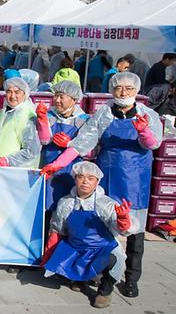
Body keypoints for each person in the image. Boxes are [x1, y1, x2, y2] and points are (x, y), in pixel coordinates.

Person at [43, 72, 162, 298]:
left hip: (135, 179)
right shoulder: (103, 113)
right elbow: (81, 144)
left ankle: (131, 278)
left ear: (136, 91)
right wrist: (57, 165)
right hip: (105, 175)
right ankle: (95, 272)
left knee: (134, 230)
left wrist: (144, 131)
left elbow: (154, 143)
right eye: (118, 88)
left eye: (128, 88)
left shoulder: (149, 115)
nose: (123, 92)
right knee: (98, 227)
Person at [41, 162, 134, 308]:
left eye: (91, 178)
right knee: (59, 265)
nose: (85, 181)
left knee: (115, 260)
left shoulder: (106, 204)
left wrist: (123, 220)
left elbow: (121, 230)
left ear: (97, 182)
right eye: (81, 177)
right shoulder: (65, 203)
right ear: (75, 179)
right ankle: (79, 279)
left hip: (102, 247)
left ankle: (105, 292)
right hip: (76, 246)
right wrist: (48, 255)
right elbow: (58, 229)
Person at [36, 81, 90, 214]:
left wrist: (70, 144)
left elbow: (88, 151)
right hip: (48, 168)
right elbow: (44, 140)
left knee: (67, 208)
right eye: (56, 96)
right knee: (47, 207)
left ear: (74, 100)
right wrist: (42, 120)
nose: (57, 100)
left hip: (71, 171)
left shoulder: (84, 120)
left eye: (62, 97)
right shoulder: (50, 115)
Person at [0, 77, 41, 168]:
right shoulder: (2, 114)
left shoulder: (28, 116)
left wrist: (8, 161)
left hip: (17, 173)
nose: (12, 96)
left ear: (25, 94)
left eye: (17, 92)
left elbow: (31, 151)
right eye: (9, 91)